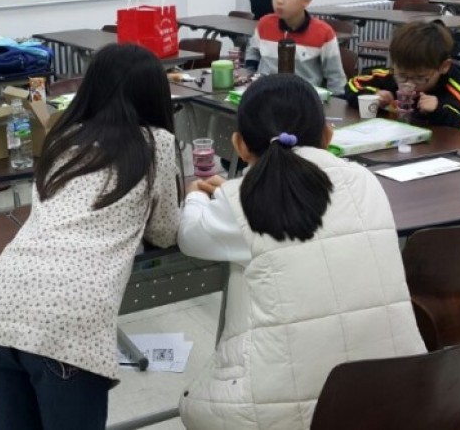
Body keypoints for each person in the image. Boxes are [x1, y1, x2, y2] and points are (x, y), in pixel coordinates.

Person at [177, 74, 426, 429]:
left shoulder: (240, 202)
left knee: (196, 405)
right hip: (395, 392)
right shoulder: (365, 181)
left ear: (239, 145)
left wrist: (199, 197)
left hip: (279, 415)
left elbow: (191, 237)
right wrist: (231, 194)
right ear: (328, 135)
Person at [0, 43, 182, 430]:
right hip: (68, 320)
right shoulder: (156, 142)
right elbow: (165, 232)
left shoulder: (62, 137)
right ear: (153, 95)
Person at [344, 21, 460, 138]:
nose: (408, 83)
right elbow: (353, 83)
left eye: (420, 78)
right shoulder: (395, 74)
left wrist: (440, 113)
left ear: (444, 66)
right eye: (402, 75)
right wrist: (373, 95)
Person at [244, 0, 347, 95]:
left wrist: (336, 102)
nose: (279, 0)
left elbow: (336, 78)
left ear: (306, 0)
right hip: (265, 95)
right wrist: (250, 74)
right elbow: (253, 50)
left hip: (302, 99)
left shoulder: (323, 33)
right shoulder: (265, 24)